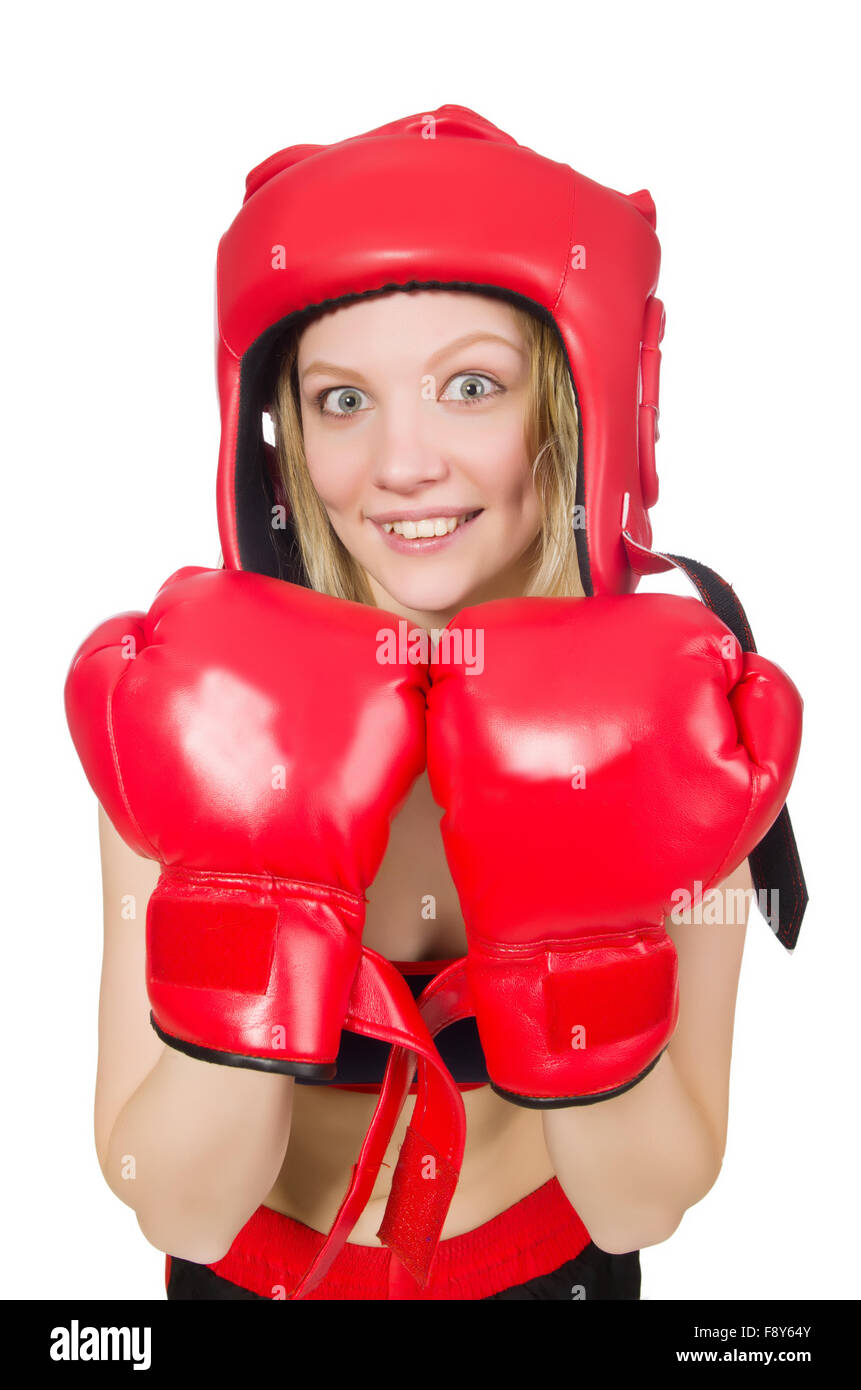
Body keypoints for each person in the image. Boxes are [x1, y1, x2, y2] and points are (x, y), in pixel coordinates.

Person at [67, 107, 806, 1301]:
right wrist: (258, 881)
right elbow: (180, 1202)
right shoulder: (199, 718)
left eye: (470, 385)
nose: (401, 462)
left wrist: (573, 927)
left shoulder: (667, 727)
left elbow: (641, 1198)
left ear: (575, 407)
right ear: (282, 432)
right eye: (343, 399)